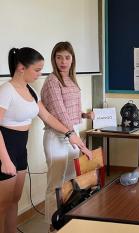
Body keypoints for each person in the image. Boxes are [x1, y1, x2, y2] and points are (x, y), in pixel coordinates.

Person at [0, 47, 91, 233]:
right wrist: (5, 159)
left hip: (20, 151)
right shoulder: (6, 90)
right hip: (5, 151)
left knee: (13, 202)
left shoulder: (31, 91)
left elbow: (48, 117)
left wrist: (72, 136)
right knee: (2, 205)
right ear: (21, 68)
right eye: (37, 70)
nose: (40, 74)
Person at [40, 41, 94, 229]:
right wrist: (81, 144)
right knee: (55, 185)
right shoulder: (52, 80)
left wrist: (85, 115)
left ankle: (65, 222)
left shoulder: (71, 79)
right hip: (57, 137)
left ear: (72, 60)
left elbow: (69, 111)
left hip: (72, 133)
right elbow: (60, 113)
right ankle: (51, 225)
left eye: (67, 57)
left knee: (70, 182)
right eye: (59, 57)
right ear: (54, 59)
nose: (63, 61)